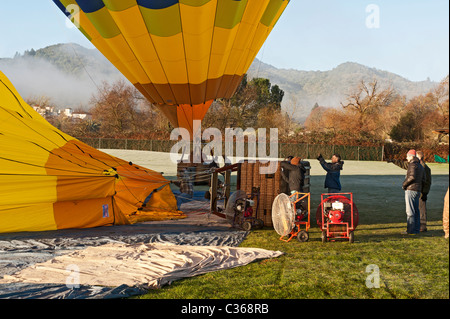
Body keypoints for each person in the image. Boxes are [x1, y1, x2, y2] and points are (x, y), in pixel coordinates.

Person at [401, 150, 425, 235]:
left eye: (407, 156)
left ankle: (410, 230)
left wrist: (404, 185)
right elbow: (423, 179)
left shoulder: (412, 164)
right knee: (416, 211)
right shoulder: (421, 166)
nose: (406, 158)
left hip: (411, 190)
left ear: (411, 156)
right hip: (417, 190)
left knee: (410, 211)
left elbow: (412, 177)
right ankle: (416, 229)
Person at [416, 151, 432, 232]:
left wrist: (424, 193)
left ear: (420, 158)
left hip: (422, 192)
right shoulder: (418, 166)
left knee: (421, 209)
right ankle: (418, 225)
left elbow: (427, 182)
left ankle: (423, 226)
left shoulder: (425, 168)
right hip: (417, 190)